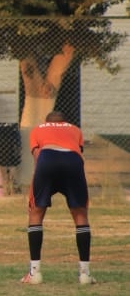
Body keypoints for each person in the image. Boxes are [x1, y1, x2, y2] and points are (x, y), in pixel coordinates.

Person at [23, 111, 95, 285]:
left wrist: (39, 180)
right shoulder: (75, 130)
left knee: (36, 212)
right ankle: (85, 274)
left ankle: (34, 274)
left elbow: (37, 156)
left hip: (47, 158)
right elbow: (79, 153)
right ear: (65, 121)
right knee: (80, 214)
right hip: (73, 160)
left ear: (46, 121)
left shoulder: (38, 129)